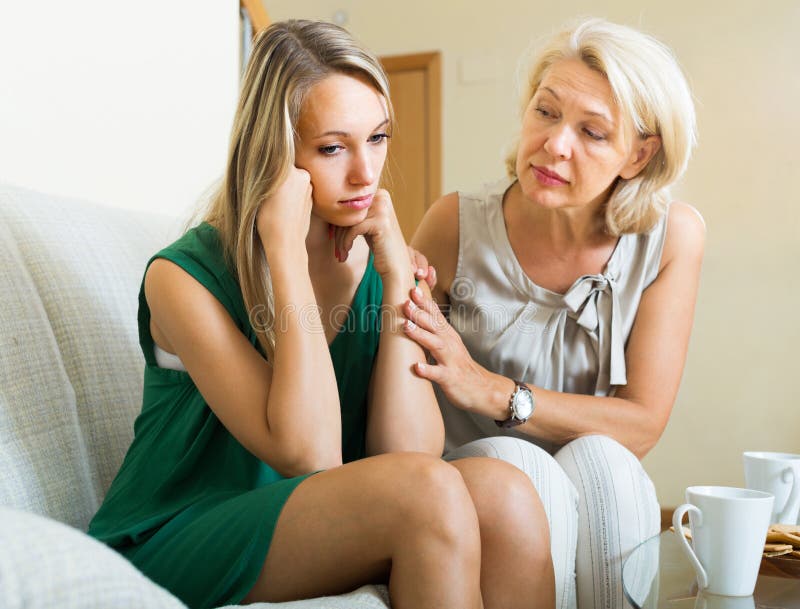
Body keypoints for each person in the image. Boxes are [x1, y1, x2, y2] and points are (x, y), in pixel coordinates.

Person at [87, 19, 555, 609]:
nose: (365, 173)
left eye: (378, 138)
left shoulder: (373, 256)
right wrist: (282, 252)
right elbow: (309, 456)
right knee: (425, 493)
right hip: (178, 532)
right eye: (333, 148)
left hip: (304, 519)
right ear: (275, 153)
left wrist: (394, 282)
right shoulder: (181, 279)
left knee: (506, 495)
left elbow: (410, 454)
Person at [405, 17, 704, 609]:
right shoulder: (453, 222)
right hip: (473, 474)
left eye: (593, 132)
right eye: (546, 112)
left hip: (594, 468)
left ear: (639, 155)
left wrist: (496, 392)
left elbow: (641, 424)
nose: (554, 143)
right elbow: (394, 380)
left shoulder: (670, 239)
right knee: (521, 466)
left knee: (606, 463)